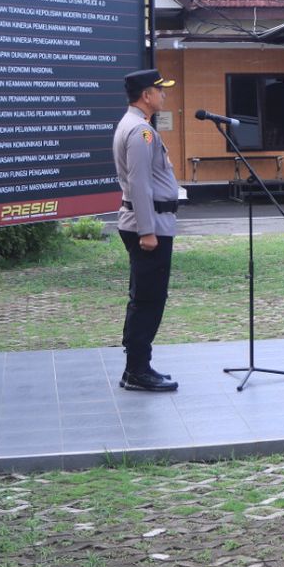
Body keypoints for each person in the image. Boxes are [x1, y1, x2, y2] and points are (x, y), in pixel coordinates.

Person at [114, 68, 182, 392]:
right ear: (146, 95)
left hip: (152, 222)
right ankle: (138, 370)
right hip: (150, 225)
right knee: (148, 300)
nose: (164, 94)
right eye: (159, 89)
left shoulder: (136, 126)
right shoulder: (140, 131)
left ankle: (137, 367)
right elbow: (139, 183)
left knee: (145, 297)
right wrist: (147, 231)